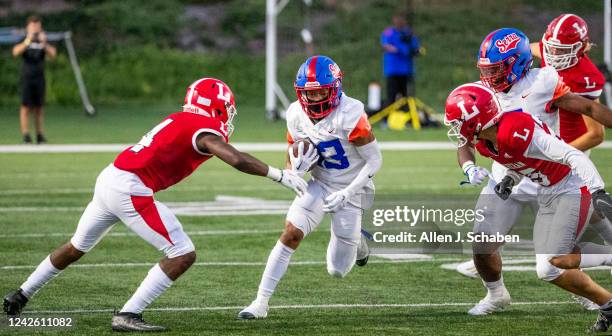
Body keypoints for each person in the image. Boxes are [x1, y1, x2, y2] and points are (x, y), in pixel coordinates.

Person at [2, 78, 308, 332]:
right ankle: (128, 314)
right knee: (182, 253)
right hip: (130, 188)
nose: (228, 115)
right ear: (216, 107)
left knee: (76, 246)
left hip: (110, 177)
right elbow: (236, 159)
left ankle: (21, 294)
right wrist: (278, 175)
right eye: (225, 109)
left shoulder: (180, 118)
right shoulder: (203, 128)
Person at [456, 15, 612, 310]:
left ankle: (589, 293)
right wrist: (468, 166)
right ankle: (496, 294)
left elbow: (589, 107)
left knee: (554, 258)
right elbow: (464, 137)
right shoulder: (480, 91)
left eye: (497, 69)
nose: (490, 76)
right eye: (486, 69)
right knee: (482, 244)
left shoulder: (542, 80)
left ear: (516, 64)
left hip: (551, 176)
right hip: (507, 175)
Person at [445, 82, 612, 332]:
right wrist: (509, 181)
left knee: (557, 259)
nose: (455, 128)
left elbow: (571, 155)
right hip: (549, 190)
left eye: (458, 122)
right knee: (548, 270)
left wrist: (599, 190)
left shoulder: (516, 129)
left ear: (476, 121)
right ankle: (608, 304)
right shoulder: (487, 139)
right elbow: (521, 160)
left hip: (571, 188)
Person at [238, 55, 382, 319]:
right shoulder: (295, 112)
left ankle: (361, 242)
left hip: (352, 189)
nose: (314, 100)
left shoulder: (351, 113)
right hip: (319, 184)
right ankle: (260, 302)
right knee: (291, 232)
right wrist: (292, 172)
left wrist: (348, 192)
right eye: (309, 94)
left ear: (335, 88)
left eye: (320, 93)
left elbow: (375, 160)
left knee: (337, 270)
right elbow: (292, 148)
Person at [12, 15, 56, 144]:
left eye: (37, 26)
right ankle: (26, 135)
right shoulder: (24, 39)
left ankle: (39, 134)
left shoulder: (43, 40)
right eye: (33, 26)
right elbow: (15, 52)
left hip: (40, 77)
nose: (35, 28)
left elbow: (53, 55)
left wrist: (44, 43)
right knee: (25, 107)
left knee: (39, 108)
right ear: (28, 27)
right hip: (27, 77)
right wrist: (28, 41)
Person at [380, 13, 421, 106]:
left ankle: (406, 115)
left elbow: (416, 48)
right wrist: (401, 50)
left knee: (406, 97)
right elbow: (386, 46)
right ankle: (388, 117)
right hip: (393, 70)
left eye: (401, 19)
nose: (399, 21)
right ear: (394, 20)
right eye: (397, 19)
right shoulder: (389, 32)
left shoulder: (410, 33)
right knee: (391, 96)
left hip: (406, 70)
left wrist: (413, 50)